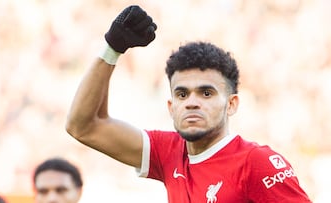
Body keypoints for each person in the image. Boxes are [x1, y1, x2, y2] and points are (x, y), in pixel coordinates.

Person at [65, 5, 312, 203]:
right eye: (182, 94)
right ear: (171, 107)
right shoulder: (168, 153)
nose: (192, 103)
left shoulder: (256, 162)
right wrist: (112, 49)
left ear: (232, 104)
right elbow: (83, 127)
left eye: (206, 93)